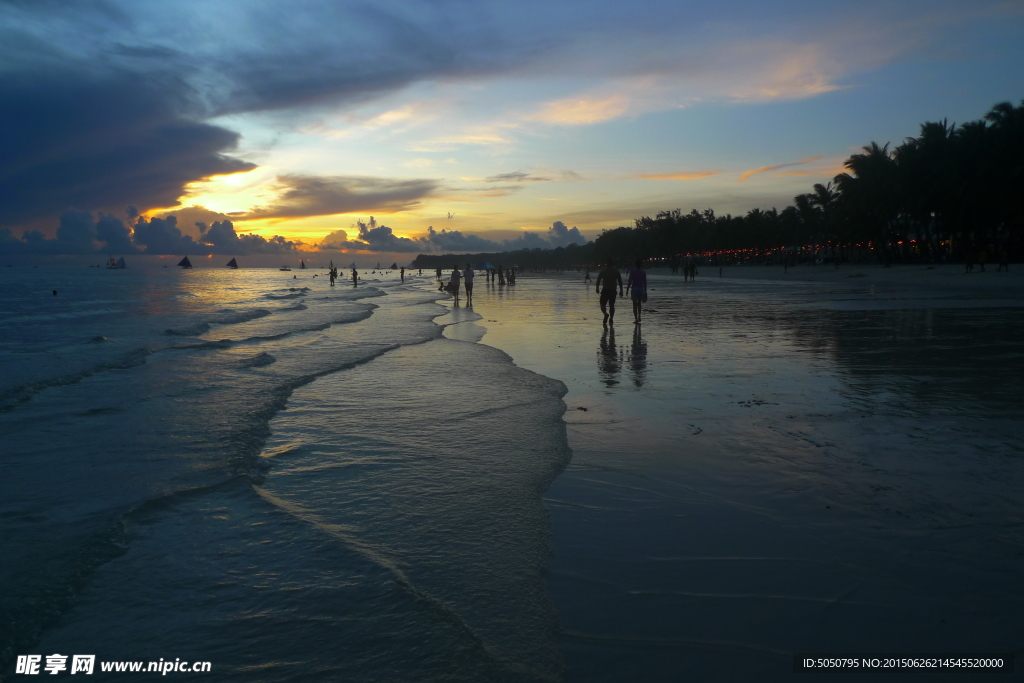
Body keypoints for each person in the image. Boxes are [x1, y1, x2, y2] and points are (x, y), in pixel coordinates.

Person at [595, 260, 623, 325]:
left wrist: (597, 288)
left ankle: (605, 314)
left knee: (602, 304)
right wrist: (621, 290)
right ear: (612, 264)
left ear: (607, 264)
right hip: (612, 290)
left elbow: (598, 280)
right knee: (612, 305)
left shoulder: (603, 271)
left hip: (605, 290)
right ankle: (611, 318)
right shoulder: (616, 271)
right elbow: (620, 282)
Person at [626, 258, 647, 325]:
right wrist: (645, 291)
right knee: (639, 303)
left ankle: (636, 319)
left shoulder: (632, 272)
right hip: (641, 289)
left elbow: (630, 281)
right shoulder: (643, 272)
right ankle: (639, 316)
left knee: (634, 304)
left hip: (634, 288)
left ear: (635, 265)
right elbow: (645, 282)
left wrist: (627, 289)